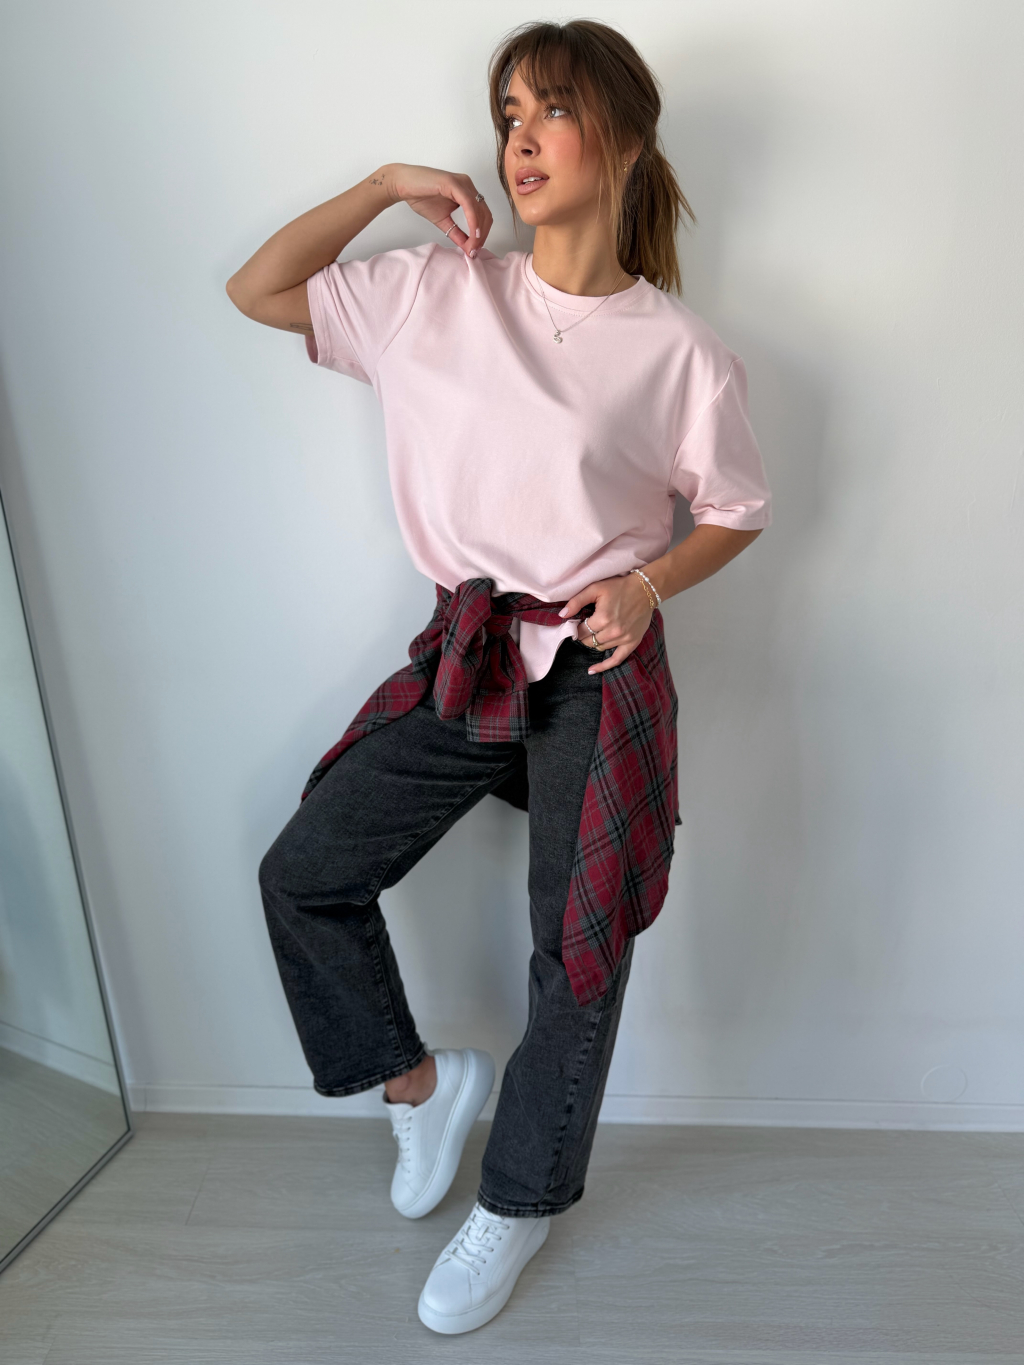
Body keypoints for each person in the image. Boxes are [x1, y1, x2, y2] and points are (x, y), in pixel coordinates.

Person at [226, 17, 771, 1336]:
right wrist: (382, 187)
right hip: (469, 650)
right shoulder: (437, 290)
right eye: (508, 114)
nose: (521, 139)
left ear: (624, 140)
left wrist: (650, 583)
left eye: (552, 111)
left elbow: (736, 506)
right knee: (306, 870)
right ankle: (421, 1088)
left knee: (577, 950)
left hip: (596, 664)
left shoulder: (680, 349)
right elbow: (258, 289)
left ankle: (518, 1200)